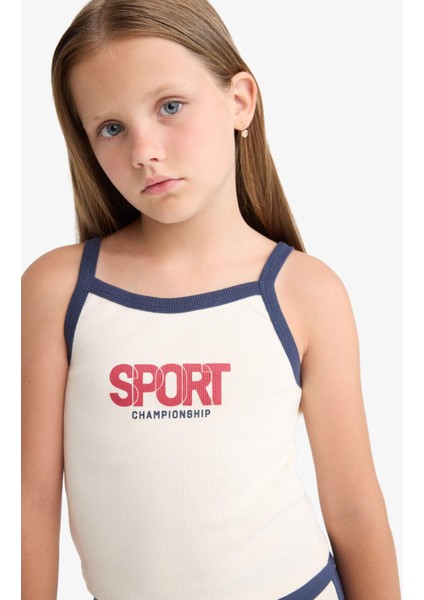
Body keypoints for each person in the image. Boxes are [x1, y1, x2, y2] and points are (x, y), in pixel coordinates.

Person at [21, 0, 401, 598]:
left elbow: (354, 510)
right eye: (111, 128)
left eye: (170, 106)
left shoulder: (306, 292)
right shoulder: (59, 289)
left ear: (239, 101)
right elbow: (33, 501)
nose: (144, 150)